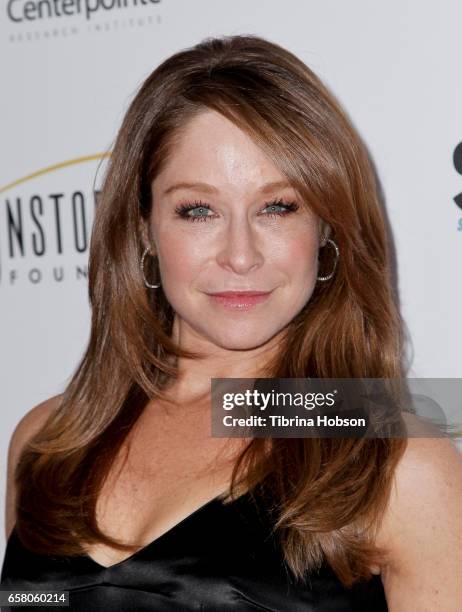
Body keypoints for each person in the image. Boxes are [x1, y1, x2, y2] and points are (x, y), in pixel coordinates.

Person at [2, 34, 462, 611]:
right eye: (198, 210)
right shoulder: (46, 444)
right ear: (143, 227)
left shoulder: (390, 459)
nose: (240, 255)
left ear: (326, 227)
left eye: (278, 207)